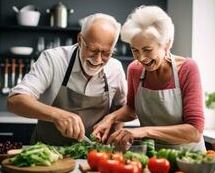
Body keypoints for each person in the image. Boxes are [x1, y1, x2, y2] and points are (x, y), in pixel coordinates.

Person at [92, 6, 206, 151]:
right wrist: (110, 118)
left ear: (167, 44)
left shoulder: (187, 69)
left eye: (147, 50)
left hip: (188, 158)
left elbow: (195, 132)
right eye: (135, 50)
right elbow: (131, 109)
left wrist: (144, 131)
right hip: (151, 157)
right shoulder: (135, 69)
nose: (141, 58)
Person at [7, 13, 127, 146]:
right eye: (93, 49)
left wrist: (113, 129)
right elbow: (15, 101)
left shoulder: (115, 68)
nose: (98, 59)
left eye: (106, 53)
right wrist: (56, 115)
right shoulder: (53, 59)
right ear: (80, 40)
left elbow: (125, 107)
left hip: (94, 155)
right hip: (48, 153)